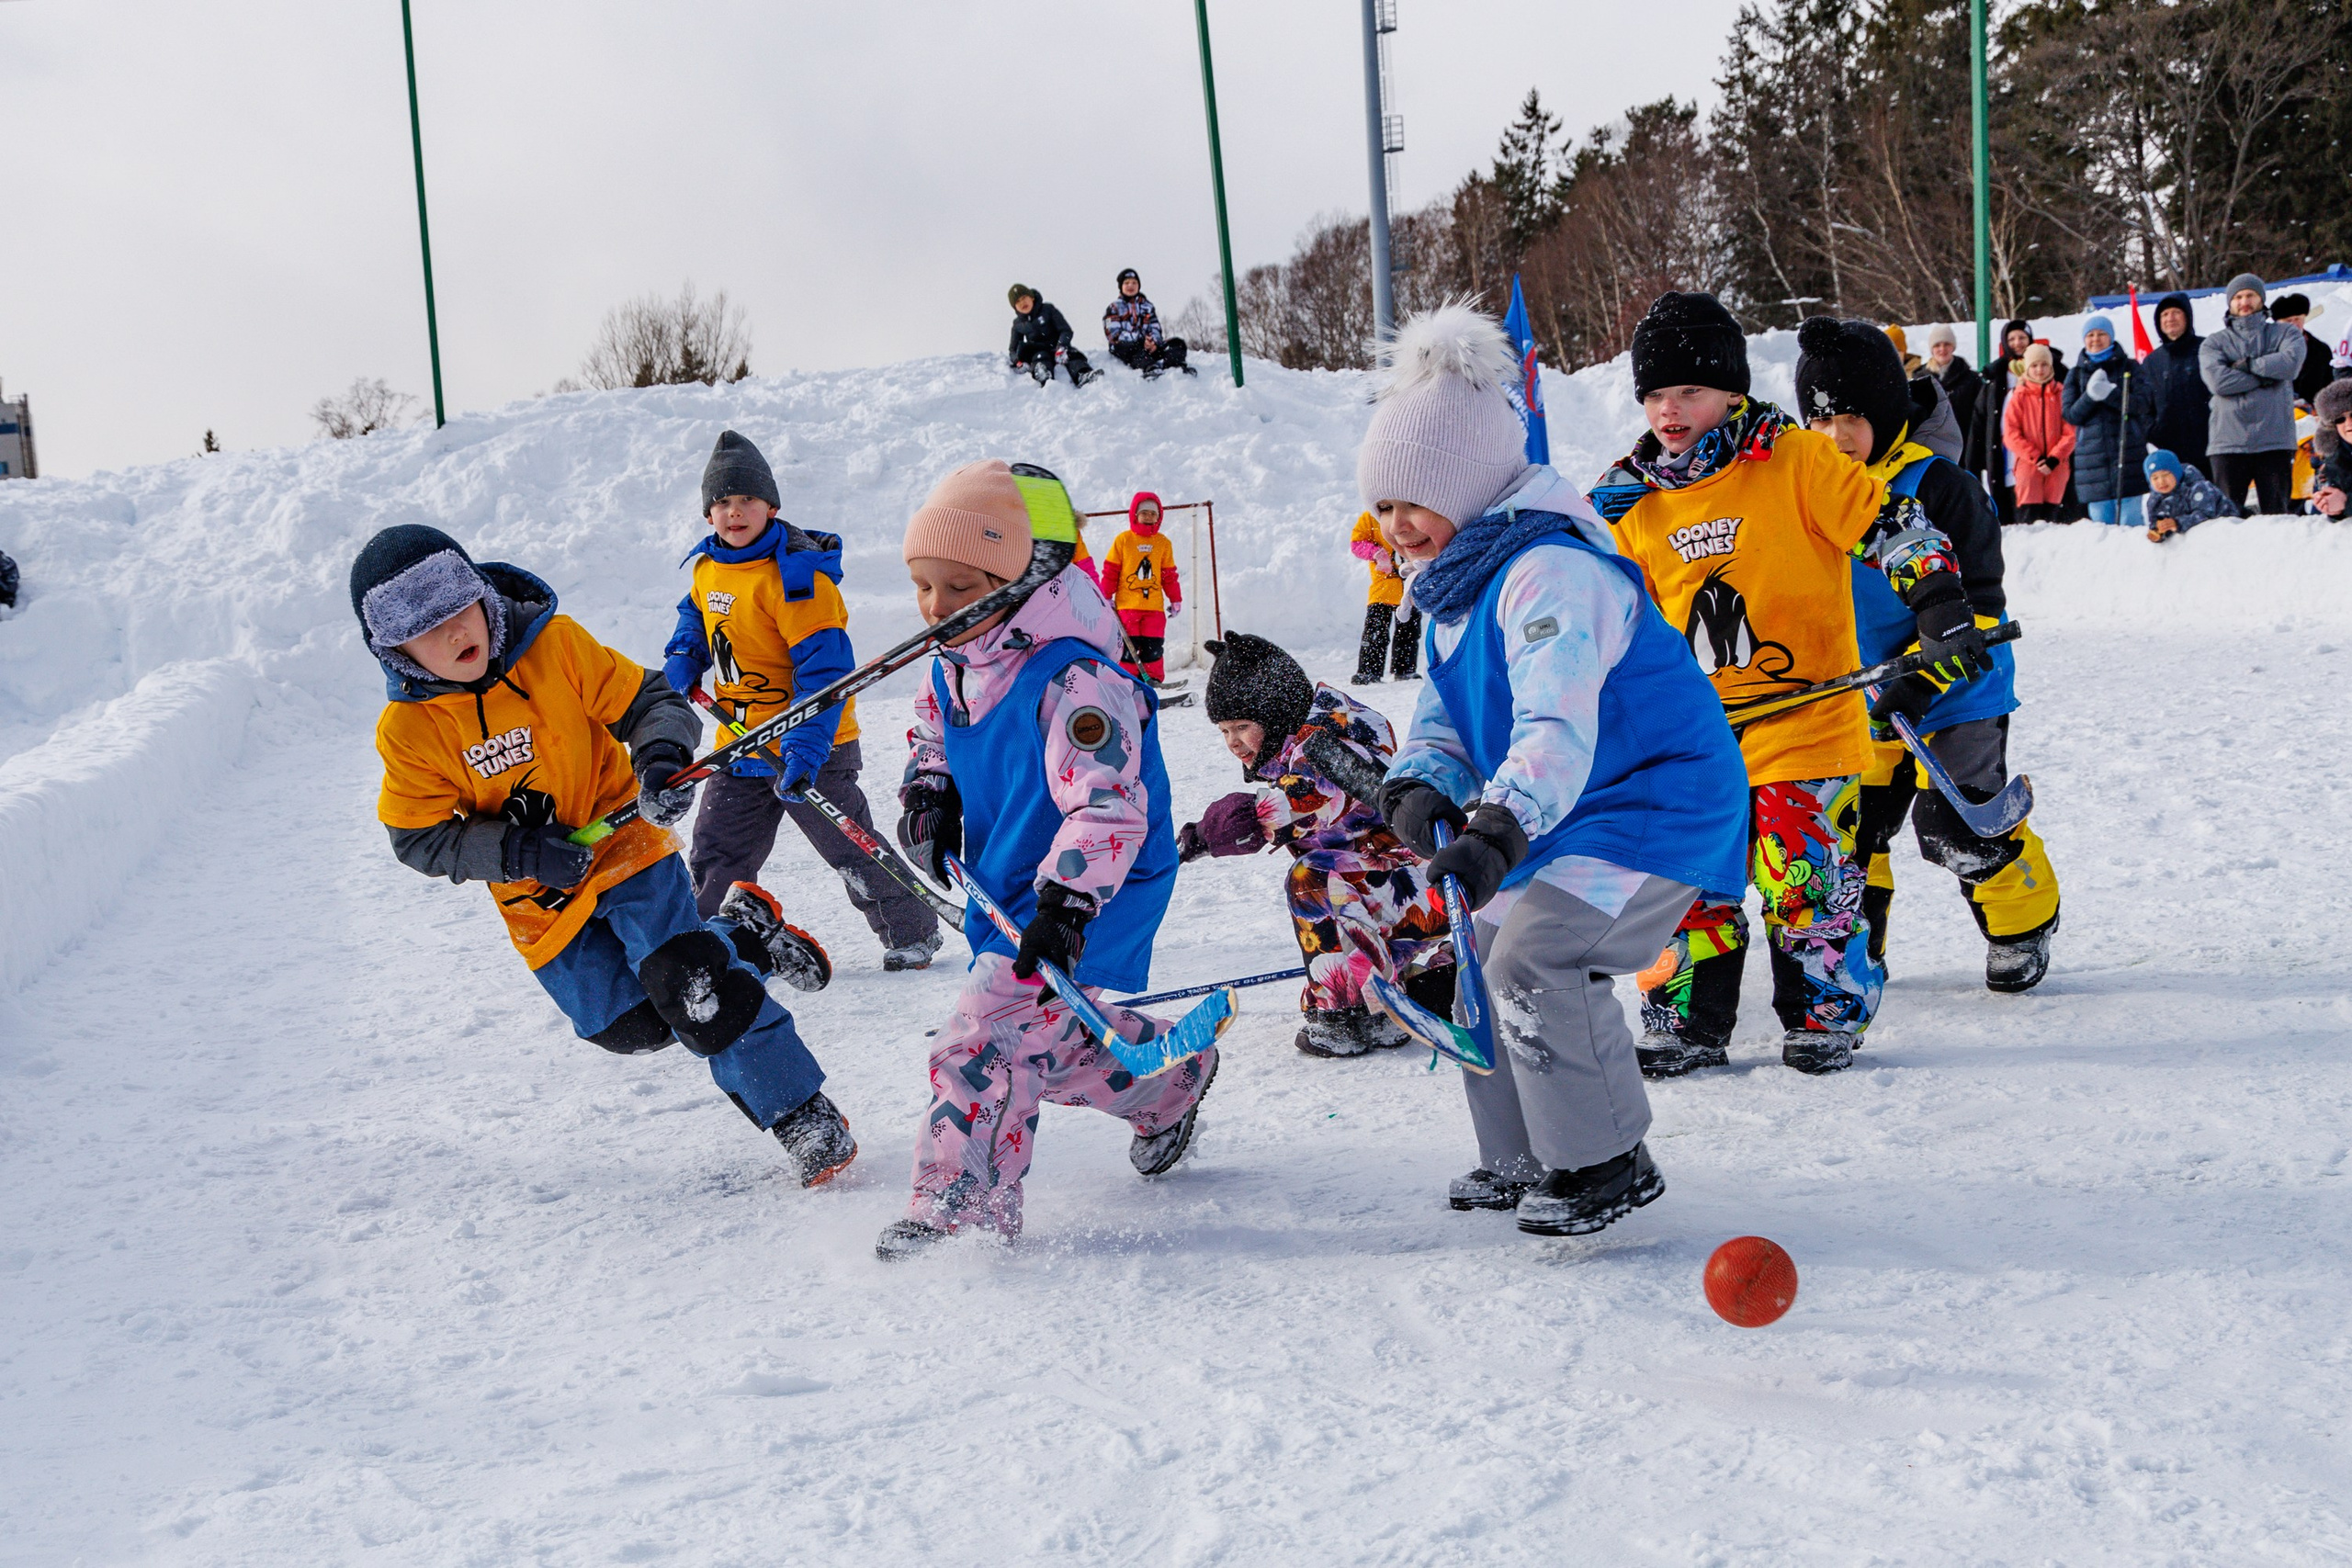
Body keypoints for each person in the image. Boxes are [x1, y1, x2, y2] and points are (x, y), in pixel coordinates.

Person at [1365, 303, 1748, 1235]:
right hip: (1569, 810)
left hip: (1655, 801)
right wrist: (1420, 782)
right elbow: (1447, 716)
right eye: (1380, 505)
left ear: (1469, 484)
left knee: (1541, 955)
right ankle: (1524, 1153)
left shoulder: (1550, 572)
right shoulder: (1459, 580)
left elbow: (1553, 726)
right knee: (1482, 953)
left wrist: (1496, 828)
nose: (1395, 526)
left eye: (1412, 499)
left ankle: (1604, 1157)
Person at [352, 524, 858, 1187]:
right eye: (426, 630)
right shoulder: (409, 731)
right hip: (540, 897)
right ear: (395, 652)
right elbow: (415, 836)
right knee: (630, 1024)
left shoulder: (554, 647)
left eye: (458, 610)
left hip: (624, 845)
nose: (452, 634)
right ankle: (745, 935)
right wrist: (515, 849)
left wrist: (659, 756)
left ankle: (802, 1114)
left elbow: (648, 698)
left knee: (691, 983)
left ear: (480, 593)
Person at [1591, 292, 1990, 1078]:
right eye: (1656, 394)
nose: (1671, 410)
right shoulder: (1628, 500)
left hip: (1803, 716)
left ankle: (1825, 1009)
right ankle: (1686, 1016)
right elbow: (1599, 608)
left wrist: (1939, 599)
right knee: (1685, 878)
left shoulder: (1793, 459)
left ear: (1733, 392)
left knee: (1801, 868)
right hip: (1692, 733)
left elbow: (1891, 521)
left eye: (1690, 392)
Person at [882, 460, 1212, 1258]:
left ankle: (962, 1200)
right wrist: (930, 790)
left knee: (982, 1035)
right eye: (923, 585)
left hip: (1094, 879)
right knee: (1039, 1034)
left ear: (1009, 576)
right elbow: (936, 725)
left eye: (958, 586)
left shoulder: (1073, 673)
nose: (935, 607)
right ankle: (1170, 1078)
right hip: (1014, 864)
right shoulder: (957, 656)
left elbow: (1108, 805)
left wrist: (1066, 907)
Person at [1795, 317, 2063, 994]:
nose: (1836, 439)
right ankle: (1860, 944)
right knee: (1849, 832)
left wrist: (1920, 684)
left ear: (1885, 414)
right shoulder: (1806, 493)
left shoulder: (1940, 486)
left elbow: (1978, 603)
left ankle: (2025, 922)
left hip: (1957, 684)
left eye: (1851, 419)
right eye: (1819, 422)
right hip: (1862, 693)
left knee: (1955, 824)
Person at [662, 431, 944, 971]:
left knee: (848, 844)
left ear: (772, 506)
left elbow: (827, 673)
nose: (734, 511)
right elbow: (696, 614)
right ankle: (707, 950)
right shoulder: (707, 568)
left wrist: (807, 746)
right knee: (716, 854)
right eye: (721, 502)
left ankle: (913, 929)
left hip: (813, 742)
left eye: (746, 499)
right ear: (708, 515)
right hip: (741, 743)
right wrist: (684, 653)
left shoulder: (797, 580)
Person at [1181, 632, 1455, 1058]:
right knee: (1328, 873)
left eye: (1241, 727)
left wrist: (1195, 839)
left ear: (1274, 714)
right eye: (1223, 730)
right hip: (1404, 883)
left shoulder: (1328, 747)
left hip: (1428, 887)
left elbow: (1285, 806)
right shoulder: (1319, 730)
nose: (1232, 743)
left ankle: (1343, 1014)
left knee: (1314, 878)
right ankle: (1393, 997)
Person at [2200, 273, 2306, 515]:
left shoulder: (2286, 334)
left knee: (2277, 518)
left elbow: (2290, 364)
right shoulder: (2213, 343)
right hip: (2228, 443)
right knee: (2228, 519)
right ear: (2230, 303)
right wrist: (2268, 374)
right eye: (2237, 296)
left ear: (2261, 299)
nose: (2244, 301)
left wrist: (2247, 365)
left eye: (2250, 295)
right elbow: (2219, 382)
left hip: (2275, 441)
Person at [2062, 315, 2157, 527]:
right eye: (2091, 335)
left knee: (2130, 519)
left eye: (2102, 334)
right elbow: (2070, 415)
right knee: (2100, 524)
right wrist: (2090, 396)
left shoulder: (2130, 367)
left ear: (2111, 337)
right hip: (2091, 461)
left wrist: (2112, 394)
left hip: (2128, 452)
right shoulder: (2075, 375)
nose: (2096, 339)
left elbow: (2143, 403)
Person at [1099, 491, 1183, 682]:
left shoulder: (1163, 543)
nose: (1148, 517)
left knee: (1153, 647)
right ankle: (1125, 681)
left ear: (1159, 517)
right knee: (1128, 648)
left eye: (1153, 514)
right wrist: (1106, 595)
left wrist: (1175, 599)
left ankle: (1152, 682)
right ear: (1135, 514)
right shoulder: (1124, 540)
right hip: (1127, 606)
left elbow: (1169, 575)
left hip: (1154, 608)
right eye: (1144, 512)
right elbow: (1111, 570)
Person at [2143, 291, 2212, 480]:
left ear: (2187, 317)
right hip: (2170, 452)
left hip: (2211, 448)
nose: (2170, 318)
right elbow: (2143, 406)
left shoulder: (2207, 349)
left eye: (2176, 312)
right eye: (2164, 315)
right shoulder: (2151, 362)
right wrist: (2154, 432)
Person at [2002, 344, 2074, 523]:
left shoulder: (2061, 393)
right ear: (2027, 368)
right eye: (2034, 366)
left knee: (2054, 518)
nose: (2039, 370)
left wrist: (2055, 458)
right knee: (2029, 519)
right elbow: (2011, 434)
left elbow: (2070, 431)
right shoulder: (2019, 396)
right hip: (2028, 466)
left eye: (2044, 365)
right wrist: (2035, 457)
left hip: (2057, 466)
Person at [1349, 509, 1420, 682]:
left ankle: (1405, 669)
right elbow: (1356, 543)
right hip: (1383, 588)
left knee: (1409, 632)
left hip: (1410, 586)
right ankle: (1368, 671)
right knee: (1375, 632)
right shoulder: (1370, 517)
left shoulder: (1412, 512)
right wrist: (1375, 553)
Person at [1102, 268, 1193, 378]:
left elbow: (1155, 327)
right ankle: (1149, 367)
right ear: (1121, 286)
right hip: (1126, 347)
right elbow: (1113, 335)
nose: (1130, 285)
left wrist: (1153, 342)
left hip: (1148, 346)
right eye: (1126, 283)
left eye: (1134, 283)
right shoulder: (1113, 308)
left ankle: (1175, 366)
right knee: (1134, 348)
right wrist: (1140, 339)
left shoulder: (1147, 306)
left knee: (1177, 343)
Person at [1005, 284, 1100, 388]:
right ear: (1015, 308)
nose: (1022, 303)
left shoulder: (1048, 309)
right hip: (1039, 351)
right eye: (1017, 302)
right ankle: (1044, 376)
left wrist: (1062, 346)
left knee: (1071, 355)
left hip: (1057, 346)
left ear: (1031, 297)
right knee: (1040, 358)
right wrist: (1017, 361)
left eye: (1024, 298)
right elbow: (1013, 349)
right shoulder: (1018, 324)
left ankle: (1083, 375)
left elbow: (1066, 330)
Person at [1923, 323, 1985, 475]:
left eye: (1946, 344)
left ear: (1953, 347)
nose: (1942, 349)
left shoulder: (1971, 379)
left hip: (1965, 449)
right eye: (1937, 345)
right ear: (1932, 349)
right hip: (1931, 451)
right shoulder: (1921, 379)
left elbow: (1980, 417)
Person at [2142, 449, 2239, 538]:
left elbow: (2205, 515)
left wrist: (2177, 523)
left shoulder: (2197, 487)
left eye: (2166, 475)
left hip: (2227, 532)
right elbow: (2155, 523)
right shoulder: (2155, 499)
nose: (2161, 481)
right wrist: (2158, 532)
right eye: (2155, 478)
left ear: (2176, 472)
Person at [2269, 294, 2335, 409]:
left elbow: (2330, 387)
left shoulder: (2321, 350)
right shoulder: (2266, 351)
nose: (2294, 324)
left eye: (2297, 319)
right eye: (2288, 320)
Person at [2301, 378, 2352, 519]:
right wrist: (2327, 504)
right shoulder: (2333, 461)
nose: (2348, 424)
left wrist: (2347, 503)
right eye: (2340, 419)